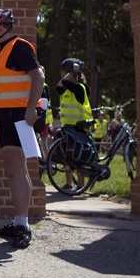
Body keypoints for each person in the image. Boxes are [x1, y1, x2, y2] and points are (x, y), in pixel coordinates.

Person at [0, 8, 44, 249]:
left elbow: (38, 75)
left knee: (16, 171)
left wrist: (29, 110)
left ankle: (22, 225)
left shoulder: (18, 46)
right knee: (16, 170)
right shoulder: (5, 50)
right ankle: (19, 220)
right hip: (8, 118)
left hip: (17, 117)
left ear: (1, 28)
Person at [57, 58, 93, 191]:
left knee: (79, 158)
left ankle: (80, 185)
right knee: (67, 157)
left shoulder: (79, 88)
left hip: (78, 128)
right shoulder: (66, 89)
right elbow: (59, 86)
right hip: (68, 128)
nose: (62, 75)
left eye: (64, 72)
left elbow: (66, 81)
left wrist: (75, 70)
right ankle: (68, 184)